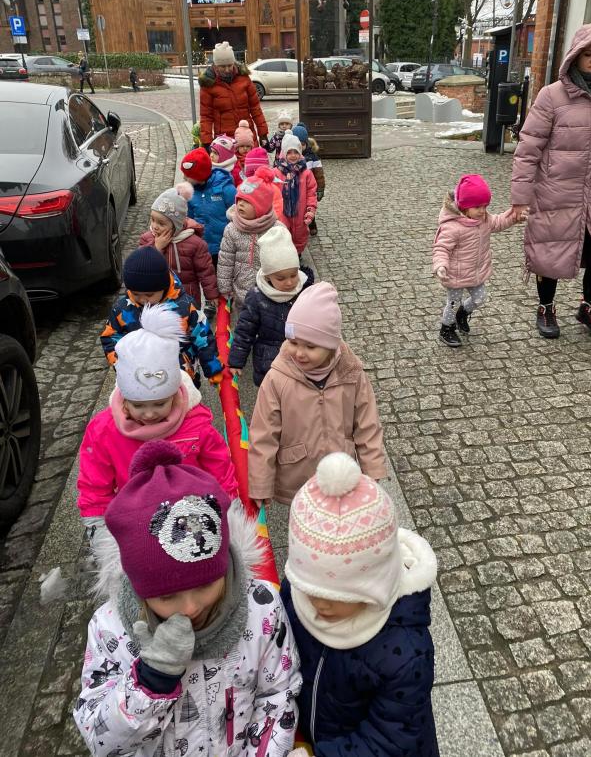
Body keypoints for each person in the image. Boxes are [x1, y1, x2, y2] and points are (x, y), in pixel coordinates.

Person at [74, 440, 302, 757]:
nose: (191, 607)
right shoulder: (111, 630)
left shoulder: (260, 609)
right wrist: (149, 683)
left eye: (206, 585)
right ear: (140, 590)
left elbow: (277, 697)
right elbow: (100, 739)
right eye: (167, 596)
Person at [282, 452, 439, 757]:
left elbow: (391, 740)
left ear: (374, 584)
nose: (320, 605)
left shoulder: (404, 653)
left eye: (339, 595)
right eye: (310, 588)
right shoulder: (296, 592)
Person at [511, 22, 591, 340]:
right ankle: (546, 307)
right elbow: (528, 148)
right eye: (588, 54)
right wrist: (521, 197)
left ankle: (589, 307)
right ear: (576, 56)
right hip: (556, 191)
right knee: (550, 250)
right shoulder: (551, 96)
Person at [79, 304, 236, 541]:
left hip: (194, 522)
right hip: (136, 522)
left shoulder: (195, 425)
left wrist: (229, 508)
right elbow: (95, 483)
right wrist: (100, 526)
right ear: (124, 399)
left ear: (174, 395)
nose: (150, 414)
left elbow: (219, 468)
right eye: (138, 405)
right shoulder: (104, 431)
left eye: (160, 404)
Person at [248, 282, 386, 505]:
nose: (299, 353)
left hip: (341, 475)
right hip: (297, 479)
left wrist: (373, 471)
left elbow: (367, 425)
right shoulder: (277, 379)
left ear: (330, 344)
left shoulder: (351, 374)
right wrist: (260, 484)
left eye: (311, 347)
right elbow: (263, 433)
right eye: (293, 342)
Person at [100, 246, 223, 383]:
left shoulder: (186, 306)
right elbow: (110, 337)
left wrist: (213, 368)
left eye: (149, 295)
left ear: (163, 287)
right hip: (138, 375)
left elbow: (203, 338)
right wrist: (120, 363)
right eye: (135, 294)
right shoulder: (121, 309)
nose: (143, 299)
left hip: (181, 374)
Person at [432, 174, 518, 348]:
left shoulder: (484, 219)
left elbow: (499, 222)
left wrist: (514, 217)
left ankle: (462, 314)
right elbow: (441, 248)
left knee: (480, 298)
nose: (482, 211)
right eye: (477, 207)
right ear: (464, 206)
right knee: (453, 303)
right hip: (455, 275)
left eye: (485, 206)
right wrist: (441, 265)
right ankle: (446, 328)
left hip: (475, 272)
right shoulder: (452, 227)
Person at [228, 226, 314, 386]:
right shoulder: (256, 297)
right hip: (269, 362)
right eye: (281, 278)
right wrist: (236, 361)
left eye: (293, 275)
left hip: (300, 360)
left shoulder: (305, 290)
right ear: (268, 276)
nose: (289, 282)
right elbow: (245, 331)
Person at [138, 184, 218, 310]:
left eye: (161, 223)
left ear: (177, 224)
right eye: (152, 220)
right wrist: (156, 248)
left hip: (187, 300)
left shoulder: (195, 244)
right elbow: (140, 266)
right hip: (159, 301)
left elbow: (205, 271)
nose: (155, 226)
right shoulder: (147, 239)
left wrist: (211, 295)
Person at [216, 167, 286, 308]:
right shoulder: (232, 229)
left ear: (261, 205)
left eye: (247, 201)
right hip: (241, 294)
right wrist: (225, 288)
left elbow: (285, 262)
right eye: (239, 199)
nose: (240, 204)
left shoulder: (277, 229)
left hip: (269, 293)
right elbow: (226, 260)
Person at [198, 41, 268, 149]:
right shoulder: (208, 84)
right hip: (224, 141)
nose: (227, 70)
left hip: (247, 138)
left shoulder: (244, 79)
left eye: (230, 65)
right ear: (215, 65)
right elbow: (206, 116)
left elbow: (255, 108)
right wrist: (206, 141)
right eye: (222, 66)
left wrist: (263, 133)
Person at [180, 145, 236, 268]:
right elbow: (188, 219)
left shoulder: (225, 188)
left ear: (199, 175)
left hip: (223, 247)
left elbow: (235, 215)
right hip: (201, 247)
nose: (184, 177)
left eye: (187, 175)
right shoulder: (189, 192)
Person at [277, 134, 317, 256]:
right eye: (289, 152)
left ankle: (298, 256)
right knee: (283, 235)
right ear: (284, 154)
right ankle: (286, 258)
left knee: (300, 235)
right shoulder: (277, 173)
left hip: (301, 212)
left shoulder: (306, 173)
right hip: (282, 213)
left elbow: (311, 193)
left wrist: (310, 210)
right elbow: (271, 193)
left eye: (296, 152)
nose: (293, 155)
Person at [291, 122, 325, 237]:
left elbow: (319, 174)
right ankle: (297, 226)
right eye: (298, 145)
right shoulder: (292, 157)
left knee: (309, 207)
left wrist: (320, 189)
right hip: (296, 188)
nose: (300, 148)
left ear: (306, 143)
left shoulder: (312, 157)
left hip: (309, 189)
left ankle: (312, 224)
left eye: (302, 145)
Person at [232, 118, 256, 187]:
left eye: (248, 146)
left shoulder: (254, 159)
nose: (245, 148)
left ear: (251, 147)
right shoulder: (233, 160)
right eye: (242, 146)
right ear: (237, 147)